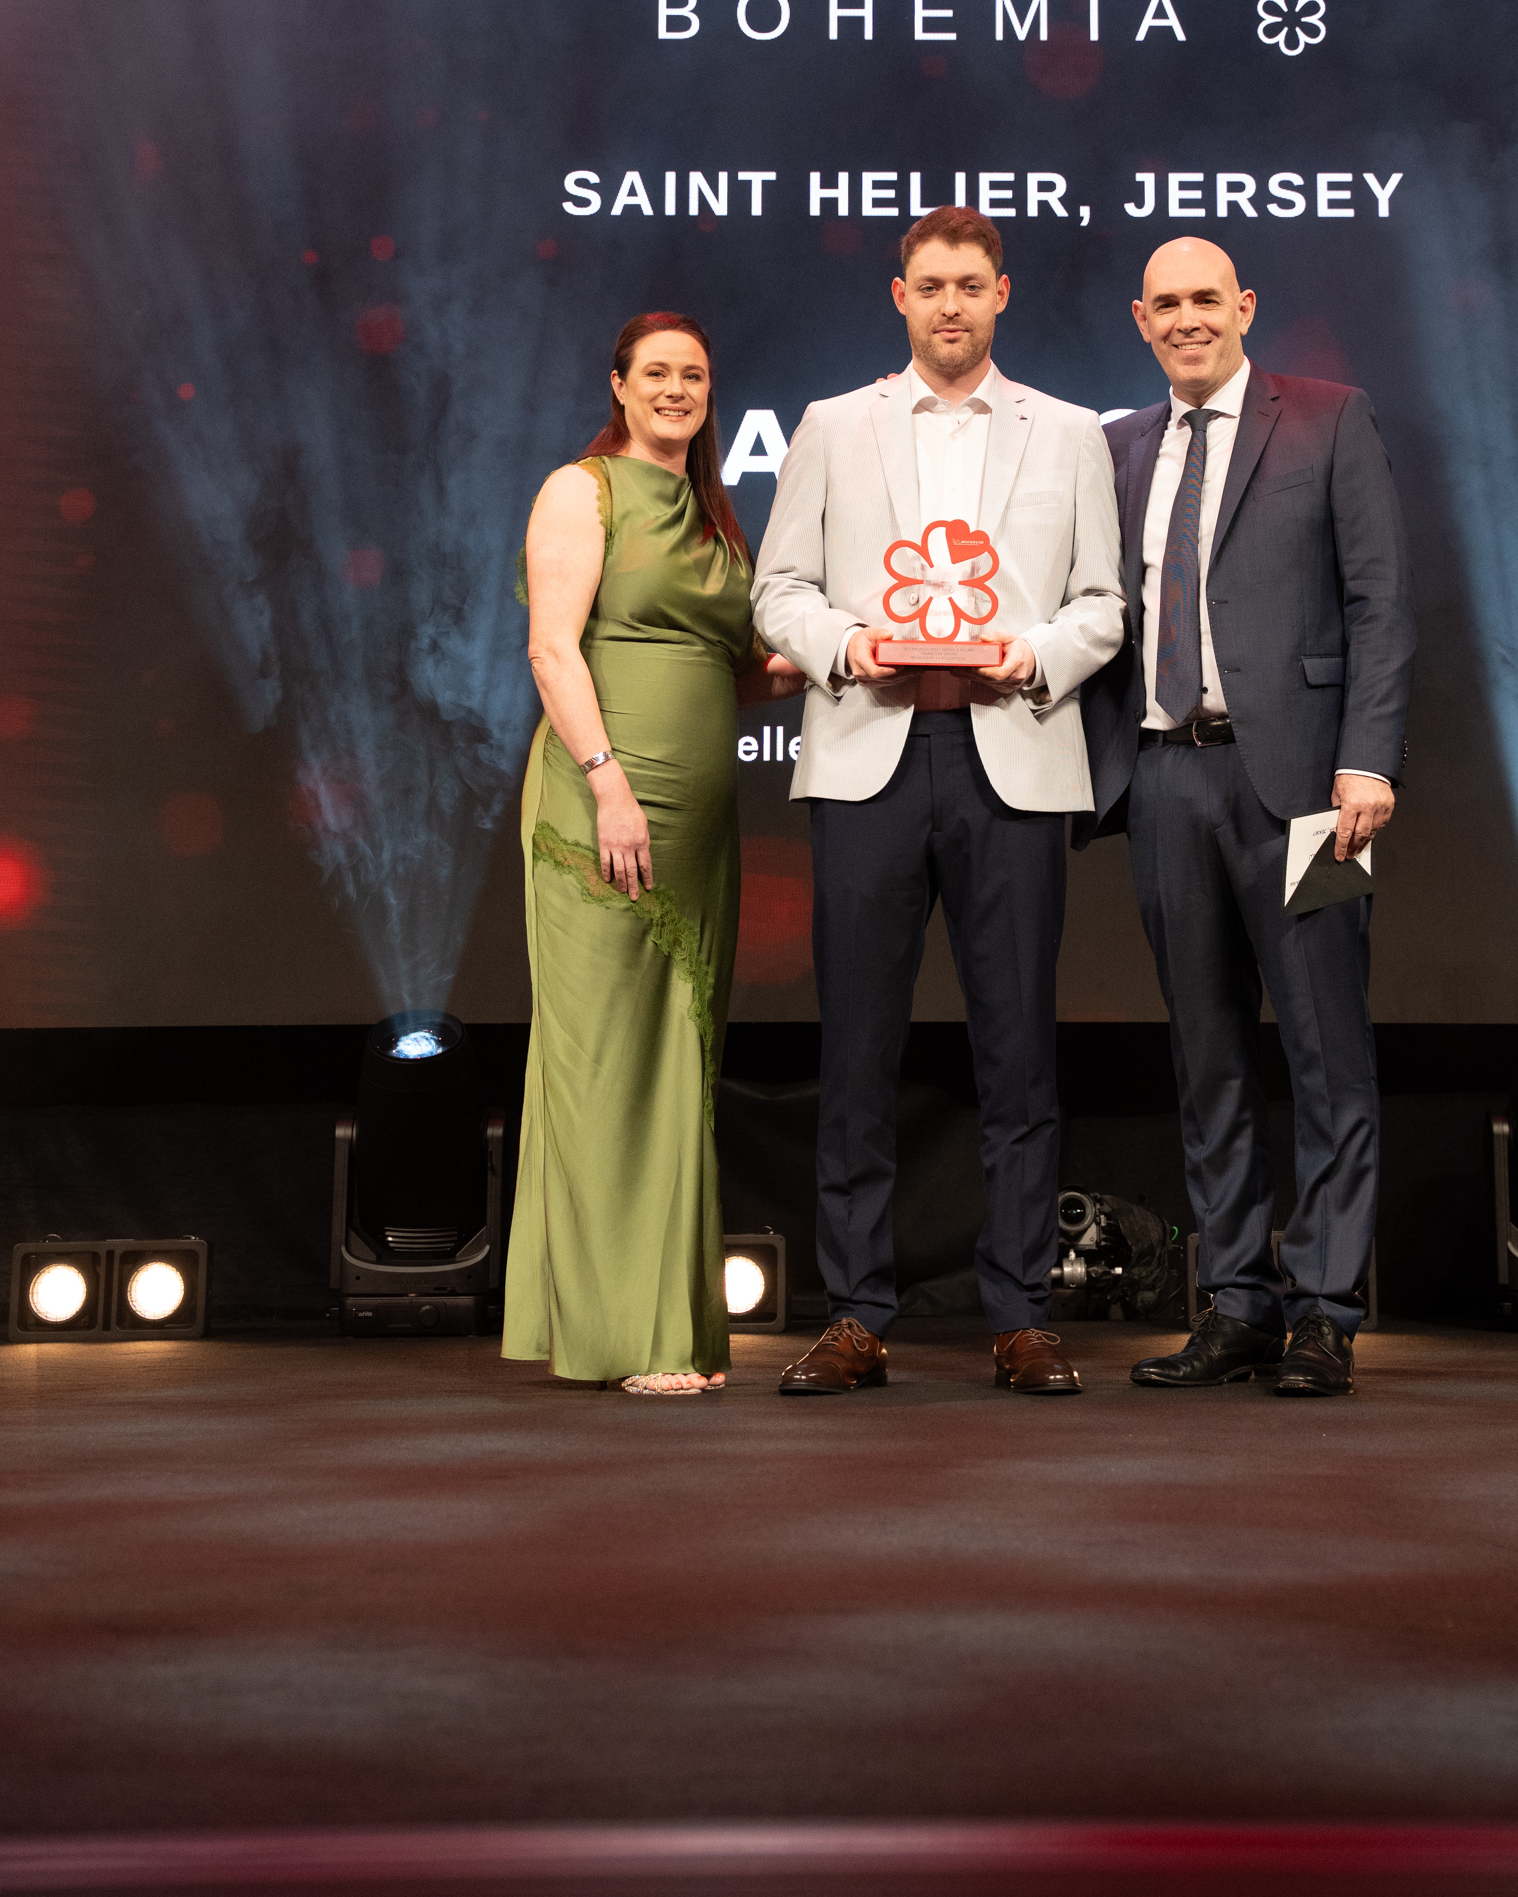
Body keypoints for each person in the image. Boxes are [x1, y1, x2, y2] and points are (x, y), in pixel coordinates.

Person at [752, 209, 1124, 1398]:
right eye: (930, 285)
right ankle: (855, 1313)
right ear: (897, 296)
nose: (951, 303)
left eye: (971, 284)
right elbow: (779, 591)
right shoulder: (829, 425)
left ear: (1002, 295)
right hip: (871, 750)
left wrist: (1036, 656)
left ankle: (1020, 1315)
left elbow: (1104, 605)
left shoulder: (1069, 434)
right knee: (856, 1048)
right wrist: (848, 642)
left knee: (1015, 1054)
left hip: (1008, 753)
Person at [1080, 238, 1413, 1398]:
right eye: (1164, 304)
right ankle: (1233, 1303)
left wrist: (1368, 758)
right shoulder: (1117, 447)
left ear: (1243, 308)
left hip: (1314, 797)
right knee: (1206, 1056)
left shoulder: (1326, 417)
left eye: (1204, 301)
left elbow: (1378, 600)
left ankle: (1322, 1308)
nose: (1185, 320)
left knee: (1327, 1054)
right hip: (1167, 783)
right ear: (1139, 319)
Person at [505, 311, 801, 1396]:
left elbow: (739, 671)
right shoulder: (580, 490)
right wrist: (606, 783)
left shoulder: (716, 518)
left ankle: (660, 1321)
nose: (678, 389)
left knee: (676, 1060)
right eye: (658, 374)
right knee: (605, 1062)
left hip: (700, 823)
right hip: (603, 806)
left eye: (696, 376)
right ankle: (620, 1332)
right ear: (619, 386)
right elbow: (551, 646)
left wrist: (856, 657)